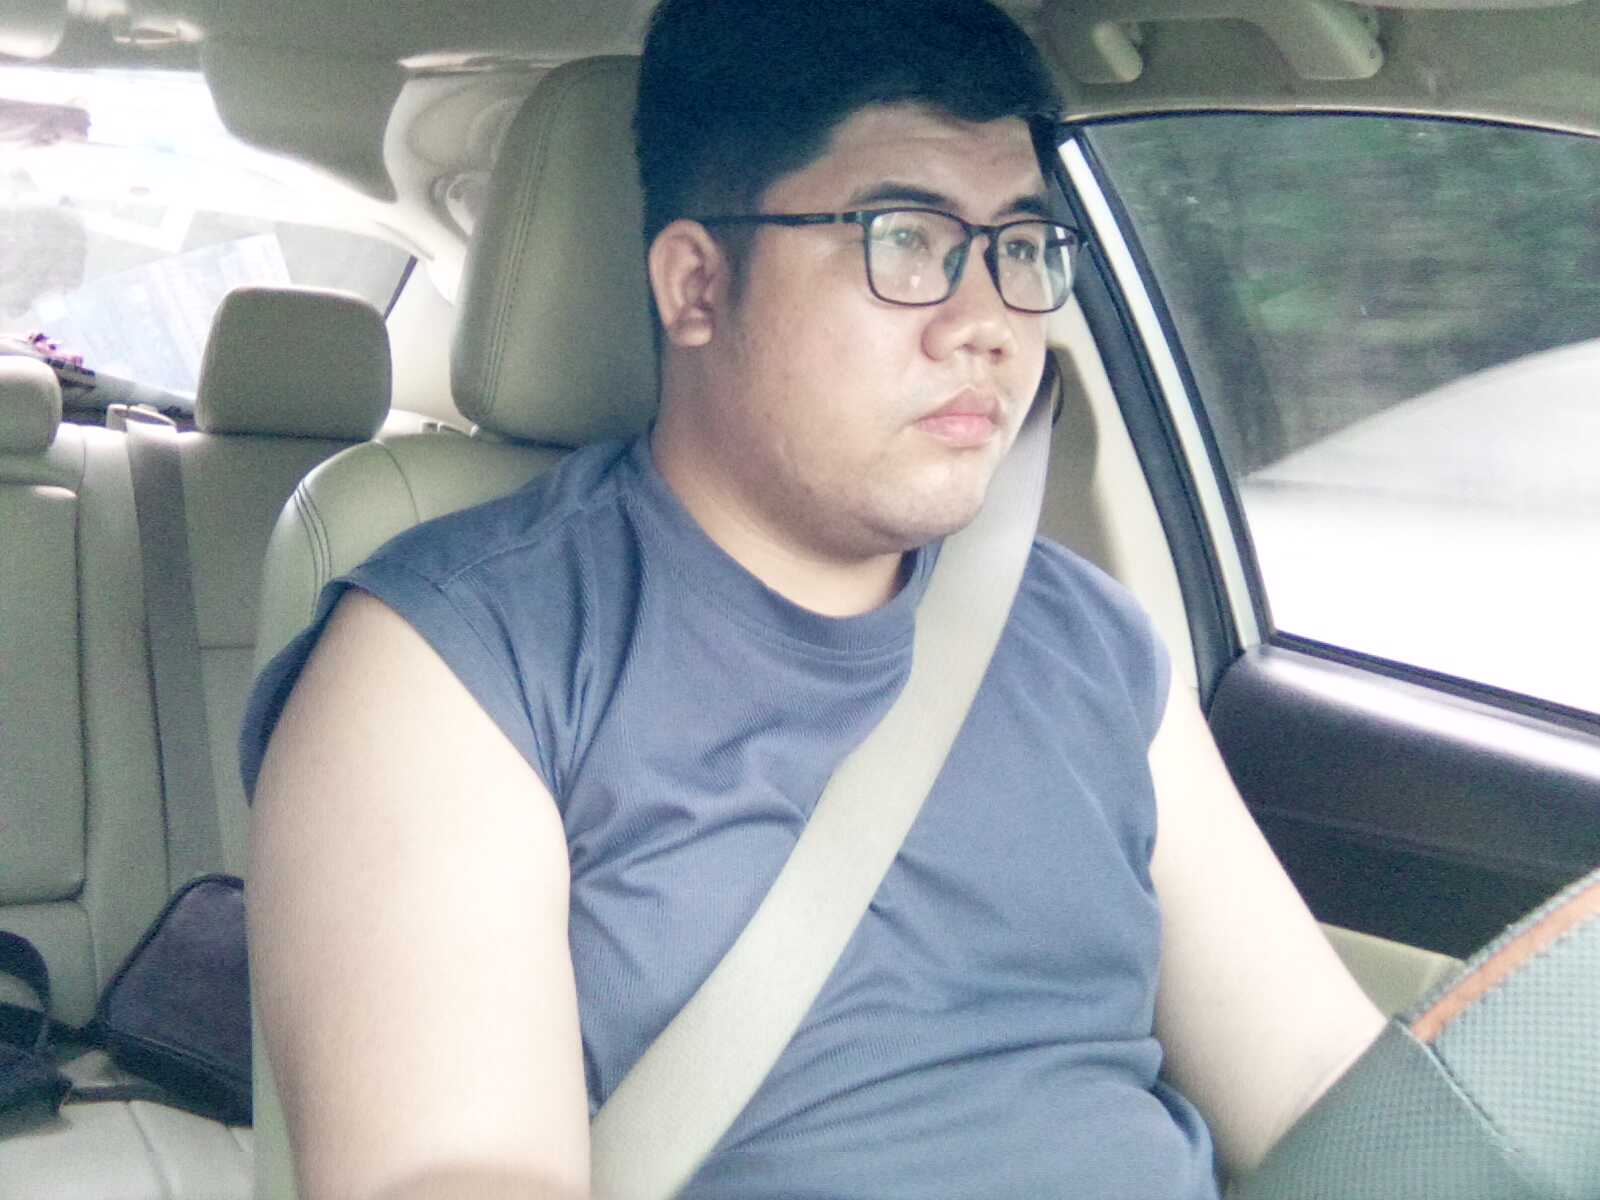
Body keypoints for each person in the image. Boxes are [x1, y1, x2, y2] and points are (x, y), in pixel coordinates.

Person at [244, 1, 1385, 1197]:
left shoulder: (1088, 640)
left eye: (1020, 246)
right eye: (905, 240)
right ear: (696, 284)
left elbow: (1317, 1084)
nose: (990, 325)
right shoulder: (454, 664)